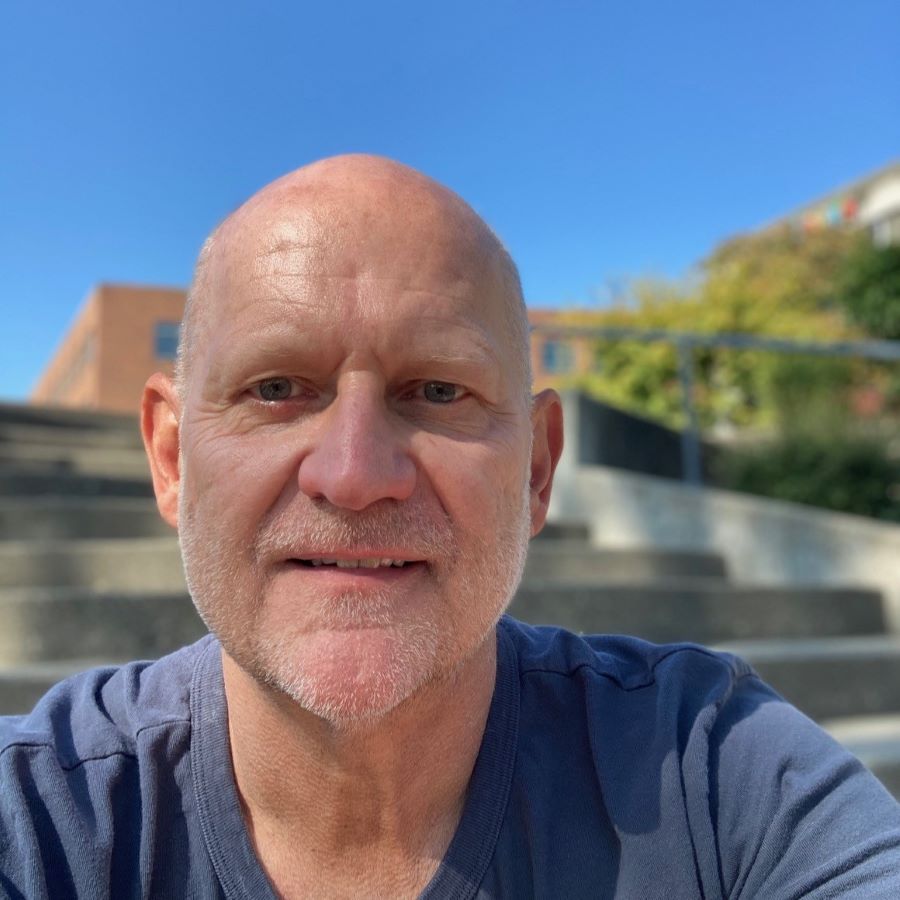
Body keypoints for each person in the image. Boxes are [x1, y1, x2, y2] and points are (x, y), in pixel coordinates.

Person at [1, 155, 898, 899]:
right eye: (276, 389)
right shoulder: (38, 816)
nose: (354, 477)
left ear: (539, 470)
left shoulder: (717, 769)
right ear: (171, 458)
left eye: (438, 391)